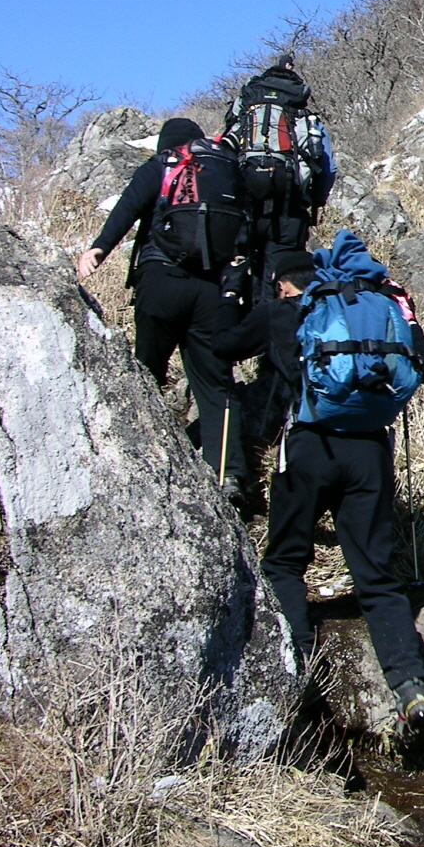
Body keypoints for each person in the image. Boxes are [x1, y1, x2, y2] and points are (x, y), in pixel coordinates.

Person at [260, 231, 424, 729]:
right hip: (370, 451)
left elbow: (239, 346)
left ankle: (294, 681)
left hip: (310, 444)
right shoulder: (386, 302)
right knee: (378, 578)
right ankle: (412, 687)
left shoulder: (304, 304)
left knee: (284, 562)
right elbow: (422, 367)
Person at [75, 118, 245, 490]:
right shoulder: (224, 169)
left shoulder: (163, 165)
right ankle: (228, 472)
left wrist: (99, 249)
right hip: (211, 290)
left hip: (161, 282)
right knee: (216, 384)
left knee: (147, 373)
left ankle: (141, 463)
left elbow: (128, 207)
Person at [210, 248, 314, 510]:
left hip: (302, 420)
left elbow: (226, 345)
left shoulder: (278, 311)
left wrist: (229, 297)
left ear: (282, 285)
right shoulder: (339, 308)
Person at [223, 59, 335, 300]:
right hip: (290, 208)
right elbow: (327, 169)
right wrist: (316, 201)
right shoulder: (305, 119)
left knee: (245, 270)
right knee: (281, 277)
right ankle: (274, 326)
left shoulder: (245, 115)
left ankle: (246, 326)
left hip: (247, 207)